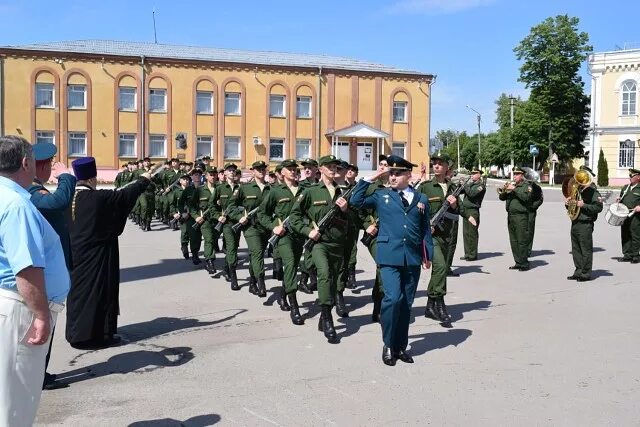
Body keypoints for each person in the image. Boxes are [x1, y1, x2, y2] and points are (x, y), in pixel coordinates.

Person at [0, 135, 69, 425]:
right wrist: (41, 315)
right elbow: (26, 266)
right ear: (26, 162)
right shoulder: (17, 204)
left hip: (9, 301)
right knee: (17, 401)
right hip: (21, 308)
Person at [351, 155, 433, 366]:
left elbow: (425, 230)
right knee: (392, 299)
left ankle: (400, 346)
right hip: (388, 256)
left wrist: (427, 255)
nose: (393, 176)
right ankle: (388, 343)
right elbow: (355, 201)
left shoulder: (421, 199)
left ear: (408, 175)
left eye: (397, 173)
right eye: (391, 173)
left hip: (412, 257)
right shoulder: (382, 195)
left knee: (406, 303)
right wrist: (372, 177)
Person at [65, 157, 151, 349]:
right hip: (97, 256)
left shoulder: (69, 197)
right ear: (91, 179)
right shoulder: (98, 198)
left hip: (75, 256)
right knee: (98, 294)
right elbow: (123, 198)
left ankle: (76, 334)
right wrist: (143, 181)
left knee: (78, 295)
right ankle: (98, 337)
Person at [27, 142, 76, 391]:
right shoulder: (34, 192)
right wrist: (66, 177)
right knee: (41, 325)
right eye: (51, 165)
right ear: (43, 166)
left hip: (48, 270)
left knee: (44, 326)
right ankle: (36, 376)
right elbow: (58, 202)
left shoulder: (37, 189)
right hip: (42, 273)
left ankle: (40, 372)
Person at [290, 155, 348, 344]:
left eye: (335, 166)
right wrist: (308, 231)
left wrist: (347, 210)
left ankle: (325, 316)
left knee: (333, 280)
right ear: (320, 169)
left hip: (337, 243)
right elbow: (294, 217)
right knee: (323, 274)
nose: (333, 169)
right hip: (319, 243)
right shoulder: (310, 192)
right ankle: (328, 318)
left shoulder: (342, 192)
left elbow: (353, 222)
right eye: (329, 166)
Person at [258, 159, 305, 324]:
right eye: (289, 169)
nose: (293, 171)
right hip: (283, 235)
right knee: (290, 264)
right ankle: (295, 306)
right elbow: (262, 214)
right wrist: (273, 226)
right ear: (282, 172)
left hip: (300, 235)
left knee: (295, 265)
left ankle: (284, 293)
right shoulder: (275, 191)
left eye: (294, 169)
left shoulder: (304, 190)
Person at [417, 152, 459, 324]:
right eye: (434, 163)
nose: (436, 166)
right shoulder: (425, 187)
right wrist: (426, 224)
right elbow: (414, 211)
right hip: (430, 235)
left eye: (440, 163)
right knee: (441, 267)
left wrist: (455, 204)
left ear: (447, 167)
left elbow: (459, 210)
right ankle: (439, 303)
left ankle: (430, 305)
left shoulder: (453, 187)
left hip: (447, 235)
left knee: (439, 270)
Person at [228, 161, 271, 297]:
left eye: (263, 169)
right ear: (253, 171)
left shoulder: (272, 189)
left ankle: (252, 283)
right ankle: (261, 283)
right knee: (257, 253)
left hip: (266, 227)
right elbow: (231, 206)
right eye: (258, 169)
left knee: (255, 255)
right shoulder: (244, 188)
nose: (261, 171)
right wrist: (239, 216)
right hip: (250, 227)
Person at [359, 155, 389, 322]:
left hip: (392, 236)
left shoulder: (397, 187)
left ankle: (378, 301)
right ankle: (381, 304)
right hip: (375, 236)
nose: (383, 168)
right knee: (383, 263)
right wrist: (366, 224)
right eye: (381, 165)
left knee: (383, 269)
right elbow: (357, 207)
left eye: (387, 165)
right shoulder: (371, 188)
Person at [566, 166, 603, 282]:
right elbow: (572, 206)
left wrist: (584, 205)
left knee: (585, 249)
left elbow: (598, 207)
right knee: (576, 249)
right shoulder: (577, 190)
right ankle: (578, 271)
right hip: (575, 222)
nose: (579, 181)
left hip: (585, 223)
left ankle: (586, 273)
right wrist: (568, 203)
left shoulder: (593, 192)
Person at [210, 163, 241, 290]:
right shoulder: (220, 188)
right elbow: (211, 205)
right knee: (231, 247)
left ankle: (227, 267)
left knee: (234, 246)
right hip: (227, 223)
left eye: (234, 170)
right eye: (229, 170)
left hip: (238, 222)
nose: (232, 172)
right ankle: (234, 277)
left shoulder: (240, 188)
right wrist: (218, 216)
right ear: (225, 173)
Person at [498, 166, 533, 271]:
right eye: (515, 174)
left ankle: (524, 263)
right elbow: (501, 198)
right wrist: (505, 190)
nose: (515, 176)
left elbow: (526, 198)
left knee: (521, 240)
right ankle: (518, 262)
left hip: (521, 216)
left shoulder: (527, 186)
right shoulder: (513, 185)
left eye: (517, 174)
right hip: (511, 216)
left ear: (522, 175)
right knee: (513, 240)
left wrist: (514, 190)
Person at [460, 168, 486, 261]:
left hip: (473, 211)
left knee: (472, 233)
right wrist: (460, 185)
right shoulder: (471, 184)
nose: (472, 175)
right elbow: (462, 191)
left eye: (475, 173)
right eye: (472, 173)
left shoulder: (481, 186)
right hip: (466, 211)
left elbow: (471, 194)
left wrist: (465, 185)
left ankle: (473, 254)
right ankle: (467, 253)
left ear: (479, 175)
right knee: (466, 233)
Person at [617, 168, 640, 263]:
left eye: (632, 175)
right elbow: (622, 199)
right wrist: (619, 200)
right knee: (625, 233)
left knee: (635, 234)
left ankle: (635, 255)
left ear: (638, 177)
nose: (630, 177)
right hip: (624, 214)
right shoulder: (625, 187)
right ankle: (627, 254)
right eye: (630, 175)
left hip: (636, 215)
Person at [527, 176, 544, 256]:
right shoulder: (521, 185)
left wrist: (533, 206)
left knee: (530, 231)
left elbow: (540, 199)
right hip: (521, 212)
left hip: (530, 212)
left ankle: (528, 250)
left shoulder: (536, 187)